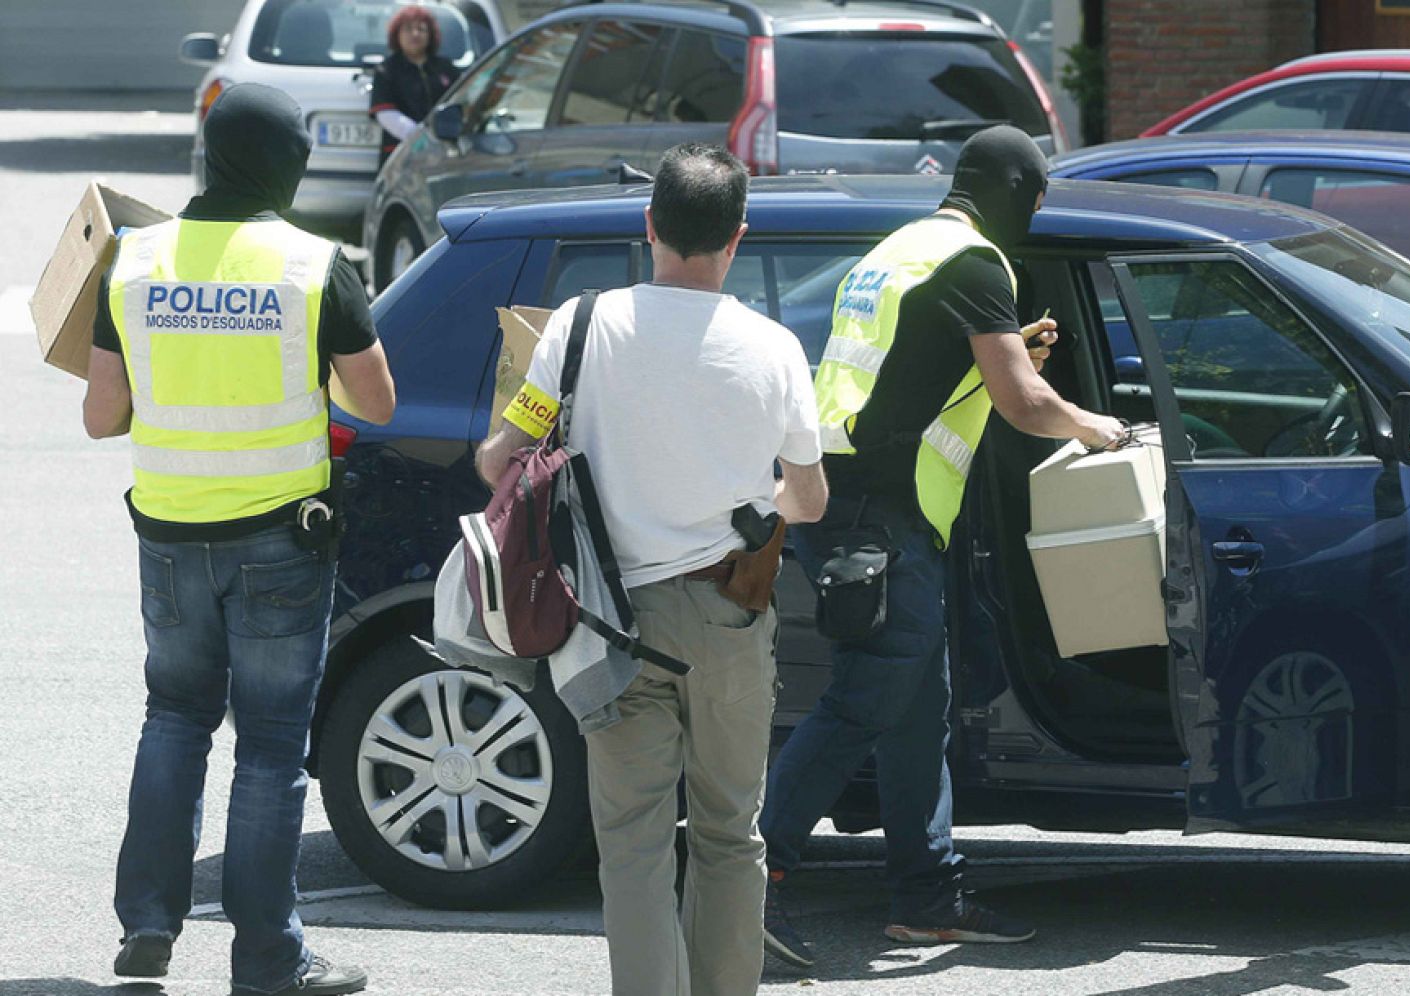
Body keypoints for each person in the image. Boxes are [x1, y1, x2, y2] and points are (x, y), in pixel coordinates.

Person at [758, 125, 1126, 967]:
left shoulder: (900, 251)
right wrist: (1099, 429)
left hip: (847, 503)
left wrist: (997, 360)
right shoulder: (973, 261)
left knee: (916, 709)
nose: (1033, 217)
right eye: (1035, 201)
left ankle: (927, 895)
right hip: (879, 517)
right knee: (863, 704)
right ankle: (743, 879)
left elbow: (909, 371)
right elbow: (1027, 404)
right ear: (1014, 194)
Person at [475, 142, 828, 995]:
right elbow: (809, 500)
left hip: (611, 624)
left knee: (632, 840)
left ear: (650, 226)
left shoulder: (579, 325)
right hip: (729, 619)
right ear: (737, 238)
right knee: (728, 835)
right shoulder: (775, 348)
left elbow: (500, 460)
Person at [83, 83, 396, 996]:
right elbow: (376, 402)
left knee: (173, 720)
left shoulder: (133, 261)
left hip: (171, 536)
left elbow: (104, 416)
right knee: (267, 746)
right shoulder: (313, 263)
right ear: (289, 164)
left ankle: (147, 926)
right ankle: (268, 961)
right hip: (280, 545)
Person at [368, 6, 460, 163]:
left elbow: (460, 103)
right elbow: (386, 115)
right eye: (408, 29)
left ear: (430, 35)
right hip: (401, 155)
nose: (415, 34)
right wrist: (421, 139)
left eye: (421, 29)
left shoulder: (446, 68)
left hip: (444, 155)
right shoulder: (386, 70)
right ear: (397, 35)